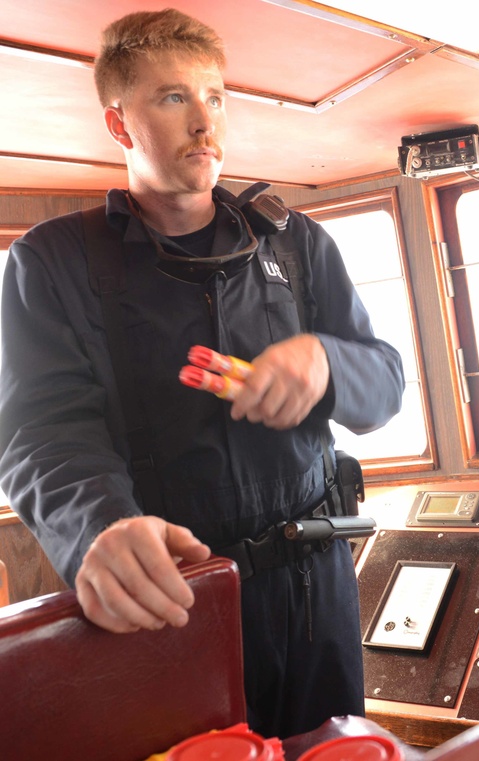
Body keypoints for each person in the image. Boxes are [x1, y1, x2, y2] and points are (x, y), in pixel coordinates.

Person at [0, 9, 404, 739]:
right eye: (173, 98)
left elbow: (385, 382)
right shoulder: (52, 262)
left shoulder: (298, 244)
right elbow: (43, 433)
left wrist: (327, 363)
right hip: (172, 605)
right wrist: (97, 527)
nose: (203, 120)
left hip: (318, 599)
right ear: (120, 126)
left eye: (214, 96)